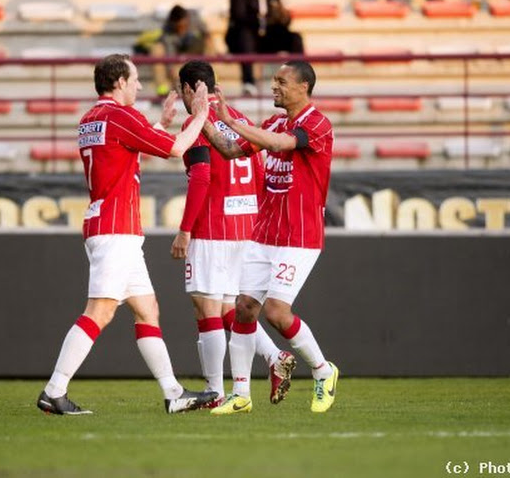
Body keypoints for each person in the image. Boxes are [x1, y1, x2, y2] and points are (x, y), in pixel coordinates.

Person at [37, 54, 217, 415]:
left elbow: (123, 153)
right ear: (118, 81)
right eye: (135, 79)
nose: (139, 86)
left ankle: (173, 393)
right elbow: (176, 149)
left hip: (112, 225)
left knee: (147, 309)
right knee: (100, 311)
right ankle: (54, 390)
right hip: (115, 229)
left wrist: (160, 123)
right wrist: (199, 115)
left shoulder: (92, 118)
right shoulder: (120, 115)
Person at [200, 60, 339, 415]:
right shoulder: (273, 121)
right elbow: (231, 150)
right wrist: (204, 120)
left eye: (281, 81)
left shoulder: (317, 124)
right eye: (274, 80)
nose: (274, 86)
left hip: (299, 235)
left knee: (277, 311)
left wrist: (231, 121)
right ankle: (241, 394)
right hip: (265, 232)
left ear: (303, 87)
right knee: (245, 309)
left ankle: (323, 370)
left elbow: (281, 143)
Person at [171, 60, 297, 407]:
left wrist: (185, 230)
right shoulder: (237, 118)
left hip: (212, 229)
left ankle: (215, 391)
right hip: (246, 227)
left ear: (188, 89)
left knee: (206, 309)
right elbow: (258, 168)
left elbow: (200, 177)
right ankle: (274, 357)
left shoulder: (198, 121)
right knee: (230, 308)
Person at [225, 0, 304, 96]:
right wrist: (264, 19)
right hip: (244, 39)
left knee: (295, 38)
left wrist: (283, 16)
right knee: (245, 35)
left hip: (269, 37)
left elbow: (286, 21)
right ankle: (248, 83)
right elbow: (239, 17)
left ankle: (299, 81)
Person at [133, 5, 215, 96]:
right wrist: (172, 69)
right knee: (157, 48)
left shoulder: (195, 19)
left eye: (183, 26)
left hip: (195, 50)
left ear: (187, 19)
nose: (181, 30)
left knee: (209, 43)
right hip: (178, 55)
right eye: (178, 27)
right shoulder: (168, 30)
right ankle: (163, 90)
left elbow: (207, 34)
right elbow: (170, 53)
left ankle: (211, 81)